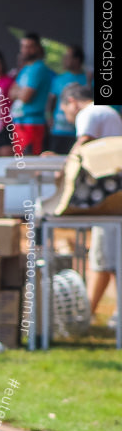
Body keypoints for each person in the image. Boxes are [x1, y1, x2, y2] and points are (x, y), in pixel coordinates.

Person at [60, 83, 122, 326]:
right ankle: (103, 314)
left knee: (103, 258)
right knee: (111, 258)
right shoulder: (108, 112)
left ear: (72, 101)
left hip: (106, 198)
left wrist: (64, 167)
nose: (67, 116)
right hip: (114, 197)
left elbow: (83, 145)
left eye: (65, 110)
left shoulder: (90, 112)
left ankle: (85, 316)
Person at [9, 32, 55, 155]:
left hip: (33, 124)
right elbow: (11, 93)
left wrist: (20, 92)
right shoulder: (25, 69)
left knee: (30, 163)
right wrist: (20, 92)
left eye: (30, 46)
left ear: (38, 48)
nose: (26, 50)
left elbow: (25, 97)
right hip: (20, 123)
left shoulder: (39, 68)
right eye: (23, 46)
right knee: (20, 162)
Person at [48, 46, 88, 155]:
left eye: (67, 57)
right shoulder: (59, 79)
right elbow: (52, 101)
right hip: (59, 130)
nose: (64, 60)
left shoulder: (88, 78)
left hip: (79, 131)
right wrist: (49, 117)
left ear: (77, 59)